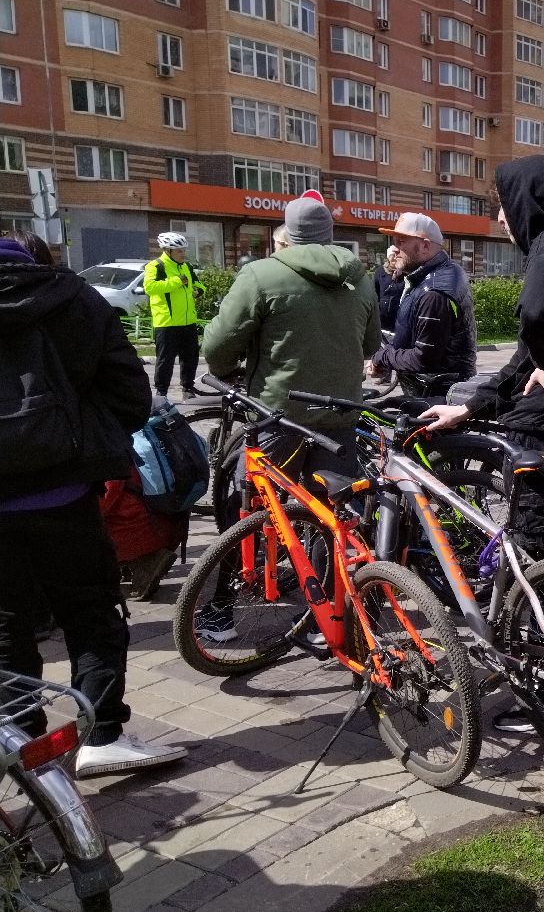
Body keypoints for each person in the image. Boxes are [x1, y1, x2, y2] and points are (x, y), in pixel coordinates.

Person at [0, 235, 185, 777]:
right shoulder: (75, 300)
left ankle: (25, 752)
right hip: (66, 496)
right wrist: (83, 442)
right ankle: (102, 736)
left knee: (6, 628)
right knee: (91, 613)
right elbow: (130, 393)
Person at [421, 154, 544, 566]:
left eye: (505, 206)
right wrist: (468, 408)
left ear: (528, 201)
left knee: (539, 551)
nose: (503, 220)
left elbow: (535, 316)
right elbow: (523, 363)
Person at [203, 191, 380, 500]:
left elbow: (220, 342)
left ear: (287, 233)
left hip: (278, 413)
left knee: (260, 504)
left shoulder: (260, 275)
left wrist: (227, 371)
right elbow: (370, 344)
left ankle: (263, 549)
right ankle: (322, 549)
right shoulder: (357, 279)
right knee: (331, 510)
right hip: (340, 413)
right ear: (329, 232)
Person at [368, 213, 477, 397]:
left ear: (425, 246)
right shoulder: (442, 271)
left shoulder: (434, 292)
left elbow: (423, 359)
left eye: (401, 241)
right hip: (435, 391)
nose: (394, 248)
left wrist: (383, 357)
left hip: (435, 396)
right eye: (394, 241)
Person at [144, 230, 202, 400]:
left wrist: (199, 291)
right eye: (179, 251)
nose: (183, 254)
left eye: (184, 250)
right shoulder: (156, 266)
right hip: (166, 322)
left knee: (190, 357)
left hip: (188, 321)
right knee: (165, 360)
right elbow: (150, 287)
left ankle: (188, 388)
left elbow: (197, 283)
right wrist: (177, 281)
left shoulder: (187, 266)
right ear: (167, 251)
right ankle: (161, 392)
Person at [374, 244, 405, 331]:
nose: (395, 258)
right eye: (392, 255)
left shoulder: (405, 273)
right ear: (388, 257)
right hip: (382, 317)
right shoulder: (380, 271)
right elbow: (374, 293)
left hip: (398, 317)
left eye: (397, 256)